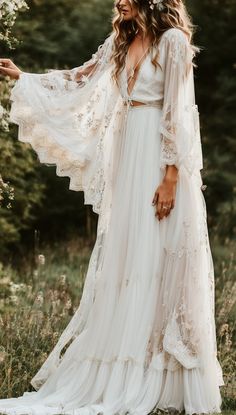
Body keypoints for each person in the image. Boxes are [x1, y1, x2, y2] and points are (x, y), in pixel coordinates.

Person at [0, 0, 224, 414]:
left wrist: (171, 176)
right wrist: (24, 77)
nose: (118, 1)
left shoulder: (173, 41)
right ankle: (119, 369)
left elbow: (179, 110)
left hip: (160, 157)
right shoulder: (121, 41)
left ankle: (163, 376)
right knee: (127, 258)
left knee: (160, 256)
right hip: (128, 153)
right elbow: (79, 79)